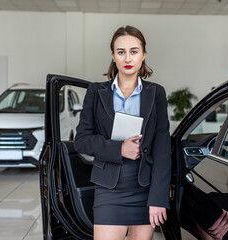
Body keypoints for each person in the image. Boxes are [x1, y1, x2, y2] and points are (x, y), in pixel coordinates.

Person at [73, 25, 171, 240]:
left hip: (144, 188)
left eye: (134, 51)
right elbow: (81, 140)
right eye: (121, 51)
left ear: (143, 55)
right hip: (108, 188)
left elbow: (162, 149)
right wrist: (119, 149)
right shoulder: (96, 92)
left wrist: (158, 198)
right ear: (113, 56)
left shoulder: (156, 94)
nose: (128, 58)